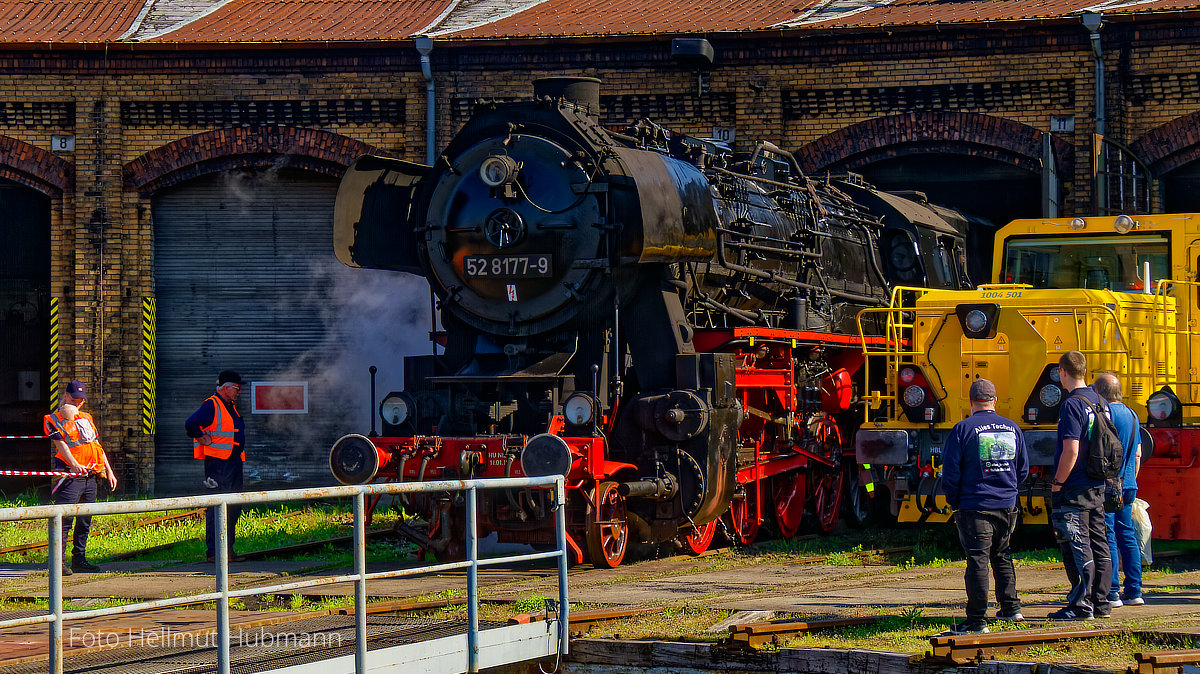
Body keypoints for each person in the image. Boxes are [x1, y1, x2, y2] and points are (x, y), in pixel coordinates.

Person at [940, 378, 1030, 634]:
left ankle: (977, 620)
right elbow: (1022, 468)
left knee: (977, 560)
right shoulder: (1012, 428)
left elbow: (951, 472)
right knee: (1002, 555)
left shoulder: (963, 429)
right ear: (995, 400)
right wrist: (1009, 491)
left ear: (970, 402)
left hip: (975, 504)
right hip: (1006, 505)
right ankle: (1011, 609)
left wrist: (954, 500)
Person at [1048, 351, 1113, 619]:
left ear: (1062, 371)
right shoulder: (1099, 400)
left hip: (1075, 486)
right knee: (1100, 542)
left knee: (1077, 542)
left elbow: (1071, 449)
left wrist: (1057, 483)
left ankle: (1080, 604)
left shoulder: (1071, 405)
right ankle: (1102, 601)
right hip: (1097, 482)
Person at [44, 379, 117, 575]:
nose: (78, 403)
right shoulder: (53, 419)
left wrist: (109, 471)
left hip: (91, 475)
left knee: (85, 519)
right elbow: (62, 445)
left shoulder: (87, 418)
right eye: (74, 399)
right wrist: (74, 465)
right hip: (70, 476)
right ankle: (58, 563)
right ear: (66, 396)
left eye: (81, 400)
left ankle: (79, 559)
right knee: (64, 519)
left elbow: (96, 446)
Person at [1093, 373, 1144, 607]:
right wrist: (1130, 478)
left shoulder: (1105, 414)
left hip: (1109, 484)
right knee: (1128, 536)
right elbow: (1138, 453)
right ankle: (1134, 591)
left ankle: (1112, 591)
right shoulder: (1133, 415)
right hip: (1129, 483)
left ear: (1099, 392)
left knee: (1108, 536)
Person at [186, 370, 247, 563]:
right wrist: (201, 437)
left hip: (233, 462)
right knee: (217, 508)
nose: (239, 392)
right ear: (226, 388)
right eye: (237, 388)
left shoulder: (230, 406)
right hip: (219, 465)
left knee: (233, 507)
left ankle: (227, 550)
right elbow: (191, 423)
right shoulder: (212, 405)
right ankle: (214, 553)